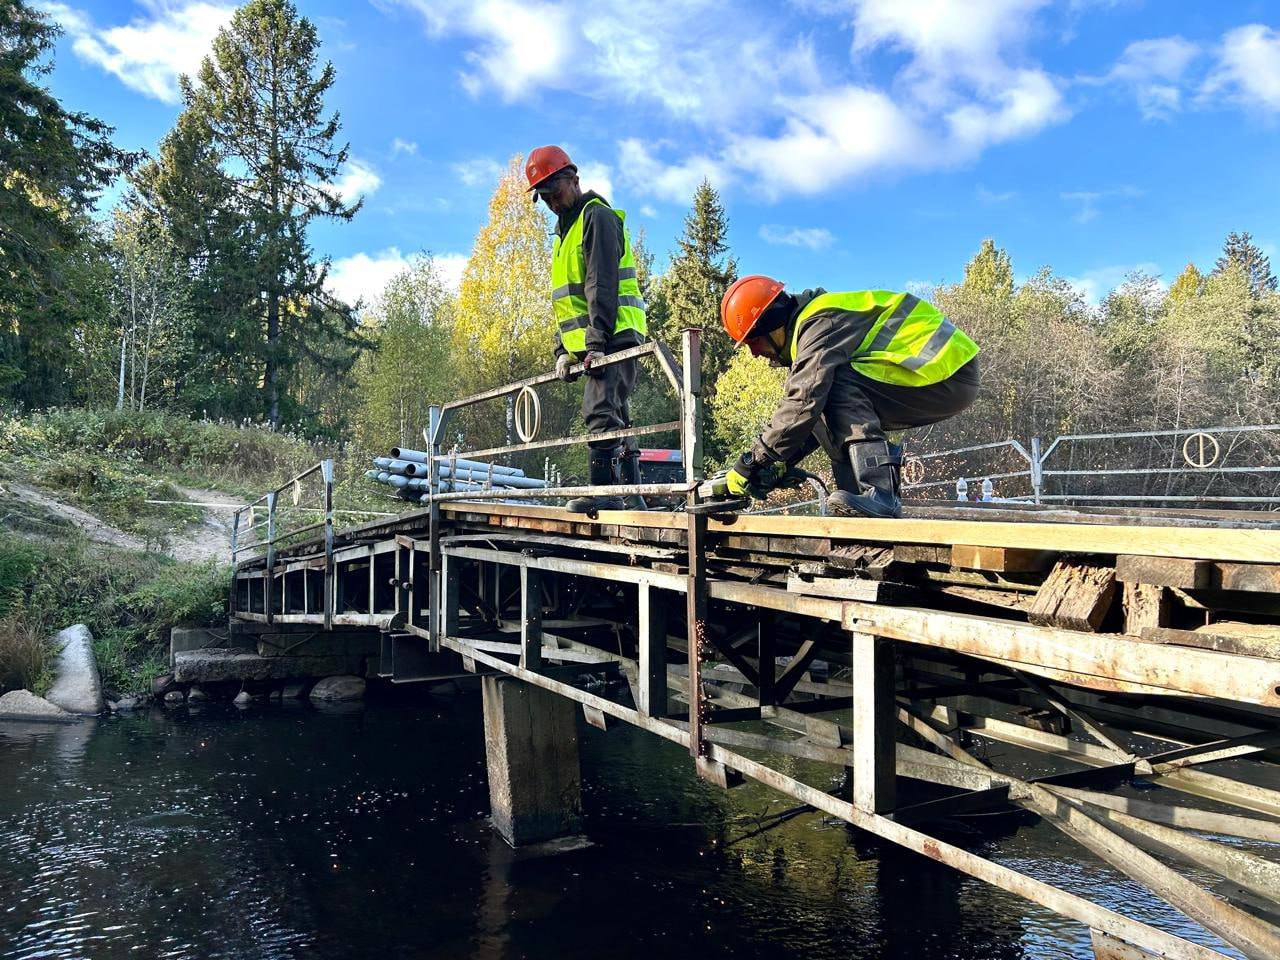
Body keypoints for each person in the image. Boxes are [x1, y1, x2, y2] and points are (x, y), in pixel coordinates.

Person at [720, 277, 980, 518]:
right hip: (936, 372)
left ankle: (881, 494)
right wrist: (778, 463)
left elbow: (803, 401)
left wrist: (754, 461)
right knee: (823, 389)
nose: (754, 353)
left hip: (947, 372)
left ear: (771, 325)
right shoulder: (813, 328)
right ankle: (860, 501)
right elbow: (813, 417)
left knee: (828, 381)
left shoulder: (819, 321)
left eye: (752, 342)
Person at [525, 145, 648, 513]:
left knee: (599, 409)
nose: (551, 203)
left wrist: (596, 345)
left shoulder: (597, 217)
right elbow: (566, 300)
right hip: (597, 339)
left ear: (574, 181)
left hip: (614, 334)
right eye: (544, 198)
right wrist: (561, 349)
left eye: (555, 193)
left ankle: (606, 492)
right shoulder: (564, 235)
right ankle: (634, 495)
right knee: (616, 412)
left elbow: (602, 286)